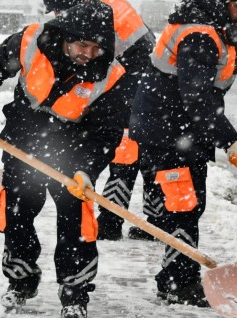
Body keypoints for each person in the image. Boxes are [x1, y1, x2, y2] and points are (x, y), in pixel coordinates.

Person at [0, 0, 126, 318]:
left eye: (96, 47)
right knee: (16, 213)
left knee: (77, 223)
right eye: (82, 45)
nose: (89, 54)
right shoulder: (31, 41)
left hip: (73, 151)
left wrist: (87, 170)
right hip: (24, 142)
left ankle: (75, 293)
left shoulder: (110, 74)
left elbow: (108, 132)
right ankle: (20, 280)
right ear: (67, 35)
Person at [129, 0, 237, 306]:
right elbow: (198, 98)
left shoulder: (216, 29)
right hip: (167, 132)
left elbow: (205, 96)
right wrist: (230, 140)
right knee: (183, 207)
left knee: (187, 206)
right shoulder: (200, 34)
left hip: (180, 130)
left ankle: (176, 278)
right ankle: (178, 283)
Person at [44, 0, 157, 241]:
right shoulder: (104, 6)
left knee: (124, 146)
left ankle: (111, 221)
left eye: (58, 11)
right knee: (141, 148)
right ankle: (154, 220)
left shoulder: (95, 14)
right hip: (144, 75)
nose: (58, 16)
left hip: (133, 76)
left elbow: (94, 61)